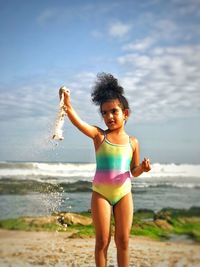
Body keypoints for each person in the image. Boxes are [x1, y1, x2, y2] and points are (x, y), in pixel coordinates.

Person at [63, 73, 151, 267]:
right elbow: (78, 122)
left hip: (124, 194)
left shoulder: (133, 142)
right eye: (104, 113)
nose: (108, 116)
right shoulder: (99, 135)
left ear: (125, 113)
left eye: (113, 111)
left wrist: (142, 169)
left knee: (123, 241)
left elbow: (133, 171)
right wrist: (67, 104)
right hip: (101, 193)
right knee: (102, 241)